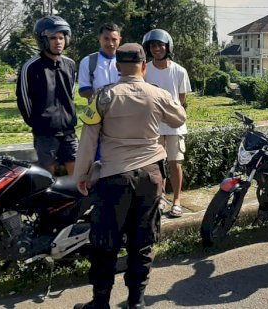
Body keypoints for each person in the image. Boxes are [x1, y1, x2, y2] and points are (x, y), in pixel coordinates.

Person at [73, 43, 186, 309]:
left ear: (116, 67)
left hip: (113, 177)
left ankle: (100, 302)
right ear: (144, 67)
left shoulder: (102, 96)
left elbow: (88, 139)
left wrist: (82, 174)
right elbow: (179, 118)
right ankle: (136, 301)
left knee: (105, 242)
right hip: (150, 177)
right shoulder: (156, 94)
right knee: (143, 240)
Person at [16, 15, 78, 175]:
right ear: (43, 40)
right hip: (45, 134)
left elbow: (70, 95)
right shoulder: (31, 67)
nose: (58, 42)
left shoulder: (70, 64)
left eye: (61, 37)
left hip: (68, 131)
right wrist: (39, 122)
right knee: (46, 176)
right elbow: (24, 100)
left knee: (77, 174)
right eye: (53, 38)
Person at [142, 29, 191, 218]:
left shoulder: (179, 71)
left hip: (174, 125)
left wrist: (170, 114)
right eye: (153, 46)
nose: (157, 49)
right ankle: (160, 197)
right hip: (152, 125)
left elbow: (182, 100)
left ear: (167, 46)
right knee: (155, 165)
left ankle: (177, 200)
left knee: (175, 163)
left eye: (160, 45)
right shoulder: (145, 70)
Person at [78, 23, 122, 99]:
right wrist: (104, 99)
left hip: (122, 108)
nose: (110, 43)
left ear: (120, 39)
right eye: (106, 39)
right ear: (99, 38)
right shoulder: (87, 61)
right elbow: (83, 90)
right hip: (98, 109)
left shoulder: (126, 61)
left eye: (114, 39)